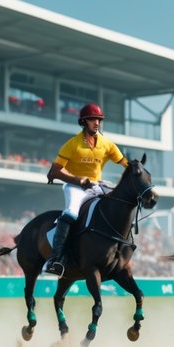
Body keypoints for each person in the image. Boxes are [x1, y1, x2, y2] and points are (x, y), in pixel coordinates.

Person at [43, 103, 129, 276]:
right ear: (84, 121)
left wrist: (136, 170)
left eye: (99, 119)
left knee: (119, 203)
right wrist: (78, 180)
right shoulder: (73, 144)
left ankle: (119, 249)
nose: (96, 122)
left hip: (97, 185)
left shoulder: (107, 144)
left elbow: (125, 164)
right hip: (74, 187)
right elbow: (54, 171)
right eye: (92, 119)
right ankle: (56, 259)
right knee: (71, 214)